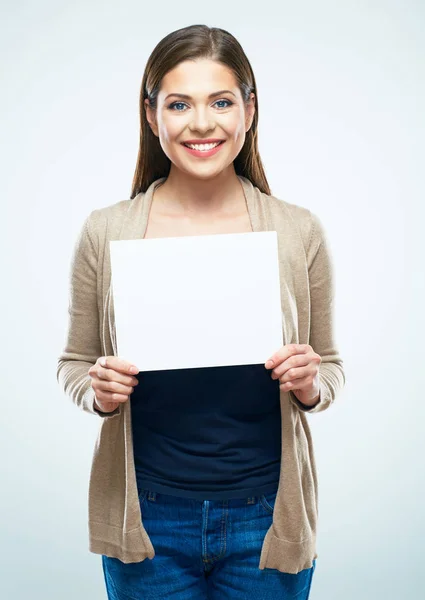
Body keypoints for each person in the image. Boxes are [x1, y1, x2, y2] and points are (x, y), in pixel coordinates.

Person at [57, 23, 345, 600]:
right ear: (151, 114)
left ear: (249, 109)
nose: (202, 123)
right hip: (149, 519)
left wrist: (311, 383)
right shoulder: (106, 230)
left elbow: (330, 365)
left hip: (266, 518)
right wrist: (99, 390)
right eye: (179, 103)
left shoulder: (297, 230)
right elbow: (74, 363)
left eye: (221, 101)